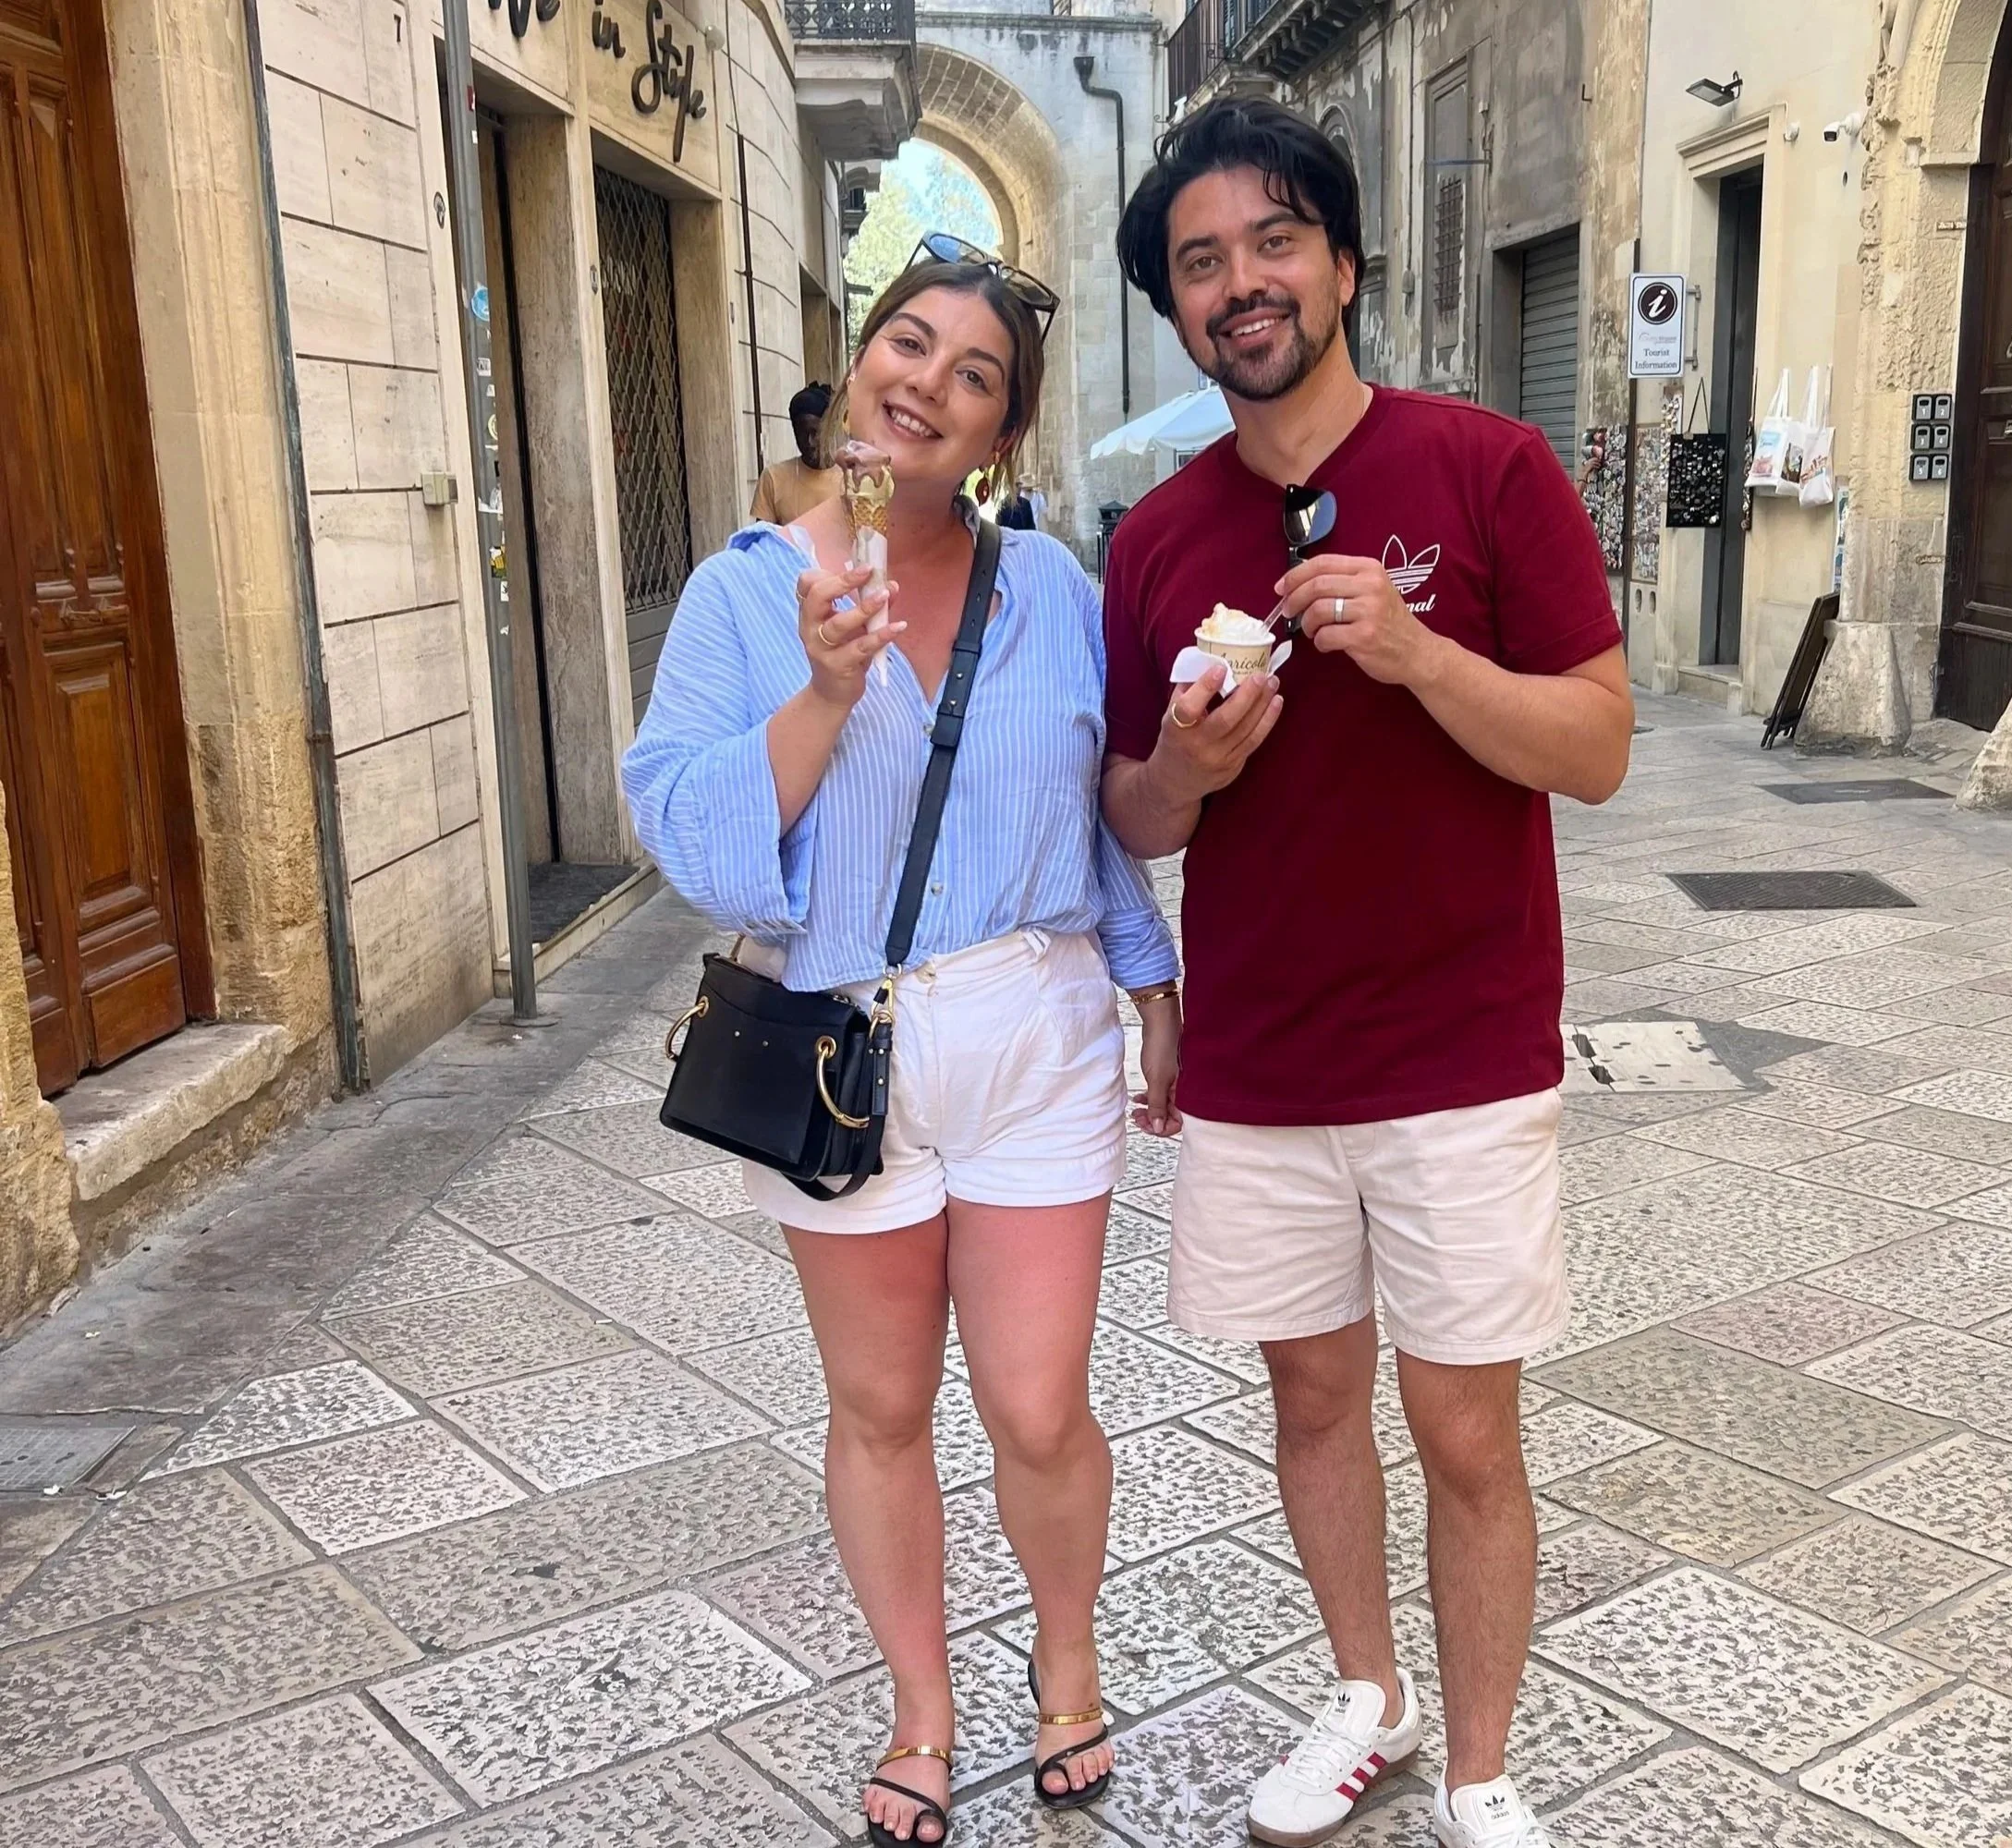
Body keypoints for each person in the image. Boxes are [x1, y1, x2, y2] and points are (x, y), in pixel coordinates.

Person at [1100, 98, 1633, 1848]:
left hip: (1462, 1051)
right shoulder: (1158, 538)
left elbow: (1597, 747)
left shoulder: (1489, 469)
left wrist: (1417, 656)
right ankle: (1367, 1701)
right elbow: (1133, 811)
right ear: (1176, 309)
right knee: (1312, 1403)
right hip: (1262, 1064)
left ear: (1342, 262)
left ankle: (1482, 1771)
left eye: (1273, 241)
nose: (1240, 283)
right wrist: (1193, 769)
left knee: (1465, 1429)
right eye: (1201, 263)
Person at [625, 249, 1183, 1847]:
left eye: (973, 375)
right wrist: (820, 696)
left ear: (999, 435)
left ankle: (1065, 1665)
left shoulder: (1052, 588)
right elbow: (693, 841)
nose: (926, 384)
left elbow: (1088, 806)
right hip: (841, 1044)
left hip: (1033, 1033)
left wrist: (1151, 979)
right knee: (879, 1408)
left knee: (1037, 1405)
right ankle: (921, 1711)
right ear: (858, 363)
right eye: (908, 345)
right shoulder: (744, 591)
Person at [751, 381, 843, 524]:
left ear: (830, 430)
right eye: (801, 434)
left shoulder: (852, 481)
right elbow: (763, 536)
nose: (809, 442)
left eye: (816, 433)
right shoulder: (774, 478)